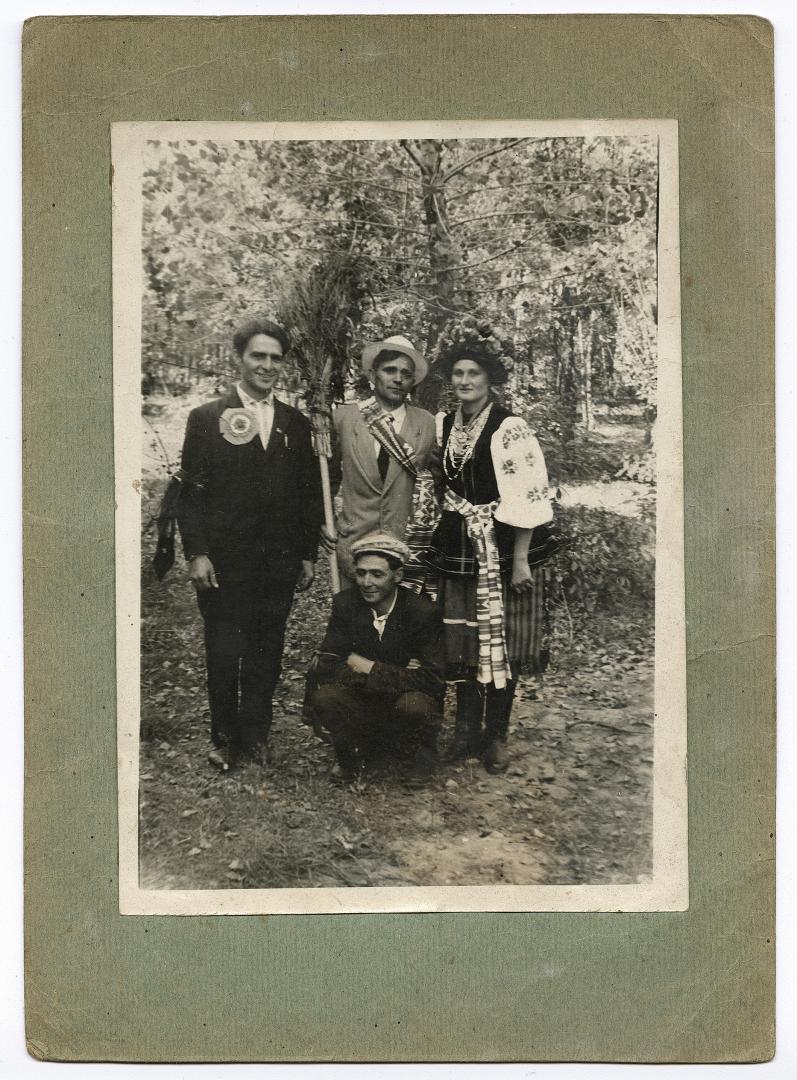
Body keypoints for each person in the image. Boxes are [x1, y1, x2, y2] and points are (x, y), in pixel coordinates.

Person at [177, 317, 323, 770]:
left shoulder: (296, 424)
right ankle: (223, 739)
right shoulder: (206, 418)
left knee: (267, 650)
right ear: (239, 358)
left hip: (277, 562)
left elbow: (307, 493)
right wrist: (197, 552)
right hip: (224, 561)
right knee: (224, 649)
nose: (266, 365)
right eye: (257, 356)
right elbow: (191, 493)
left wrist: (306, 554)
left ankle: (256, 736)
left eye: (275, 358)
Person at [425, 317, 554, 774]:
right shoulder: (444, 424)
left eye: (473, 374)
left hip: (500, 545)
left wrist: (519, 560)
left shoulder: (509, 427)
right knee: (460, 635)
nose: (464, 382)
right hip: (458, 541)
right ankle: (464, 732)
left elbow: (528, 495)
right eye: (457, 374)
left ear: (488, 379)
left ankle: (495, 734)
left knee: (503, 636)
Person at [308, 531, 445, 784]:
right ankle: (353, 758)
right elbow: (328, 664)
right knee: (326, 696)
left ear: (398, 576)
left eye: (377, 574)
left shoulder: (422, 612)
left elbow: (433, 680)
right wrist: (401, 672)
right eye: (361, 573)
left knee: (416, 704)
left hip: (402, 703)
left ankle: (417, 758)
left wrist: (366, 666)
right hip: (363, 703)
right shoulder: (345, 604)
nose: (366, 582)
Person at [323, 335, 437, 587]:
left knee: (397, 624)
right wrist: (324, 520)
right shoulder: (344, 418)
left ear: (412, 381)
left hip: (402, 549)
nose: (398, 378)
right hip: (354, 542)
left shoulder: (427, 424)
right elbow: (326, 480)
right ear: (373, 375)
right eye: (390, 370)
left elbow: (438, 482)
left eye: (406, 374)